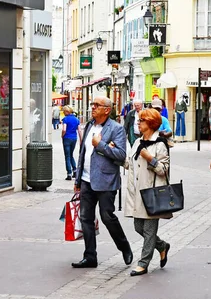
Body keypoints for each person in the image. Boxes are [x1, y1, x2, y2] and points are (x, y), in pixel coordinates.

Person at [72, 96, 133, 268]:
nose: (93, 107)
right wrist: (77, 178)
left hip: (106, 180)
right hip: (86, 179)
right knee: (86, 218)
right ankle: (90, 256)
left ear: (107, 109)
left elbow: (121, 155)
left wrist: (100, 145)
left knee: (107, 216)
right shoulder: (89, 126)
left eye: (96, 105)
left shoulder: (116, 129)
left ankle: (124, 246)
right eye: (92, 104)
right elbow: (82, 153)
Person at [124, 109, 171, 276]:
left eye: (142, 120)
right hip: (137, 192)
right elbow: (129, 163)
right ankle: (162, 246)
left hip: (152, 194)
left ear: (151, 123)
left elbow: (163, 170)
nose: (138, 123)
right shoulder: (137, 143)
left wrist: (150, 158)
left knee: (149, 230)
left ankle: (143, 263)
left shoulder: (160, 144)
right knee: (139, 227)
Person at [62, 105, 81, 180]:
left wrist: (62, 135)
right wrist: (81, 140)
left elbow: (64, 129)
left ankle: (69, 173)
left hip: (67, 138)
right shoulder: (76, 119)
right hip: (74, 138)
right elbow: (79, 130)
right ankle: (75, 170)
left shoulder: (65, 119)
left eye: (64, 111)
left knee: (67, 156)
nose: (63, 113)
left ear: (67, 112)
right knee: (71, 154)